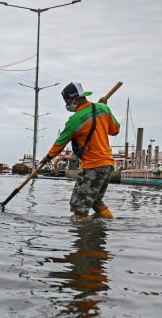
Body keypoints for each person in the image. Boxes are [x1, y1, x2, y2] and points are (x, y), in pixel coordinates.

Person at [41, 82, 121, 220]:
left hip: (93, 167)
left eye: (67, 101)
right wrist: (105, 109)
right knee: (96, 202)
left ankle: (85, 236)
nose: (66, 105)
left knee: (79, 210)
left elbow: (60, 143)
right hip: (107, 165)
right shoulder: (103, 109)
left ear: (76, 99)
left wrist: (47, 158)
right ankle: (109, 226)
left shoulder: (75, 120)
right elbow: (115, 130)